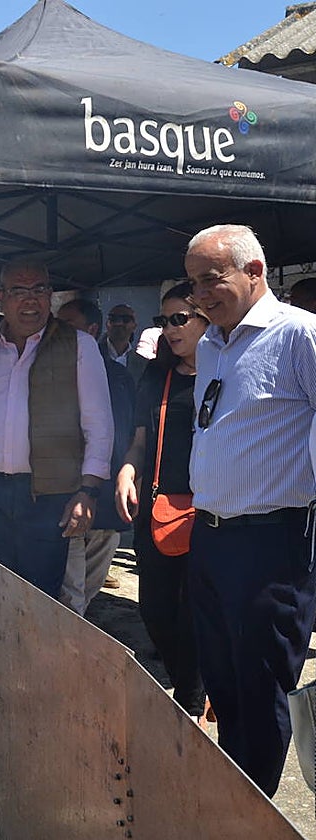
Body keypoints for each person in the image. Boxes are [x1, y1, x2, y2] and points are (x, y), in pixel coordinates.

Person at [184, 224, 316, 796]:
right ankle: (233, 798)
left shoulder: (299, 334)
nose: (199, 295)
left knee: (262, 689)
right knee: (224, 681)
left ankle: (249, 814)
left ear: (254, 271)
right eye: (192, 284)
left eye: (210, 280)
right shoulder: (211, 343)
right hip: (211, 537)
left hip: (271, 542)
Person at [0, 261, 114, 597]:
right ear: (0, 296)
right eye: (19, 291)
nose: (30, 300)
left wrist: (88, 491)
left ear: (50, 294)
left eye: (39, 289)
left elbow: (99, 424)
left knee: (37, 596)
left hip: (47, 497)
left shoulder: (78, 345)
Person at [114, 281, 208, 722]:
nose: (169, 328)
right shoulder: (157, 375)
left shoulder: (226, 372)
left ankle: (190, 700)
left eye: (178, 319)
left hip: (215, 514)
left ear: (205, 318)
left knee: (196, 614)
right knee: (155, 612)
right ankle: (190, 685)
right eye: (163, 320)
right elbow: (139, 440)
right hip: (159, 510)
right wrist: (127, 470)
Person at [55, 298, 135, 614]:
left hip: (105, 496)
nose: (57, 332)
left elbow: (126, 433)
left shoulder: (118, 376)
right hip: (64, 495)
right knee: (69, 591)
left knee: (88, 586)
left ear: (90, 330)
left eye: (67, 326)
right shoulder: (47, 372)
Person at [100, 303, 148, 382]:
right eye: (113, 319)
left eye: (126, 319)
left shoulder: (143, 365)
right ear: (107, 324)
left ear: (134, 326)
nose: (119, 323)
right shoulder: (93, 354)